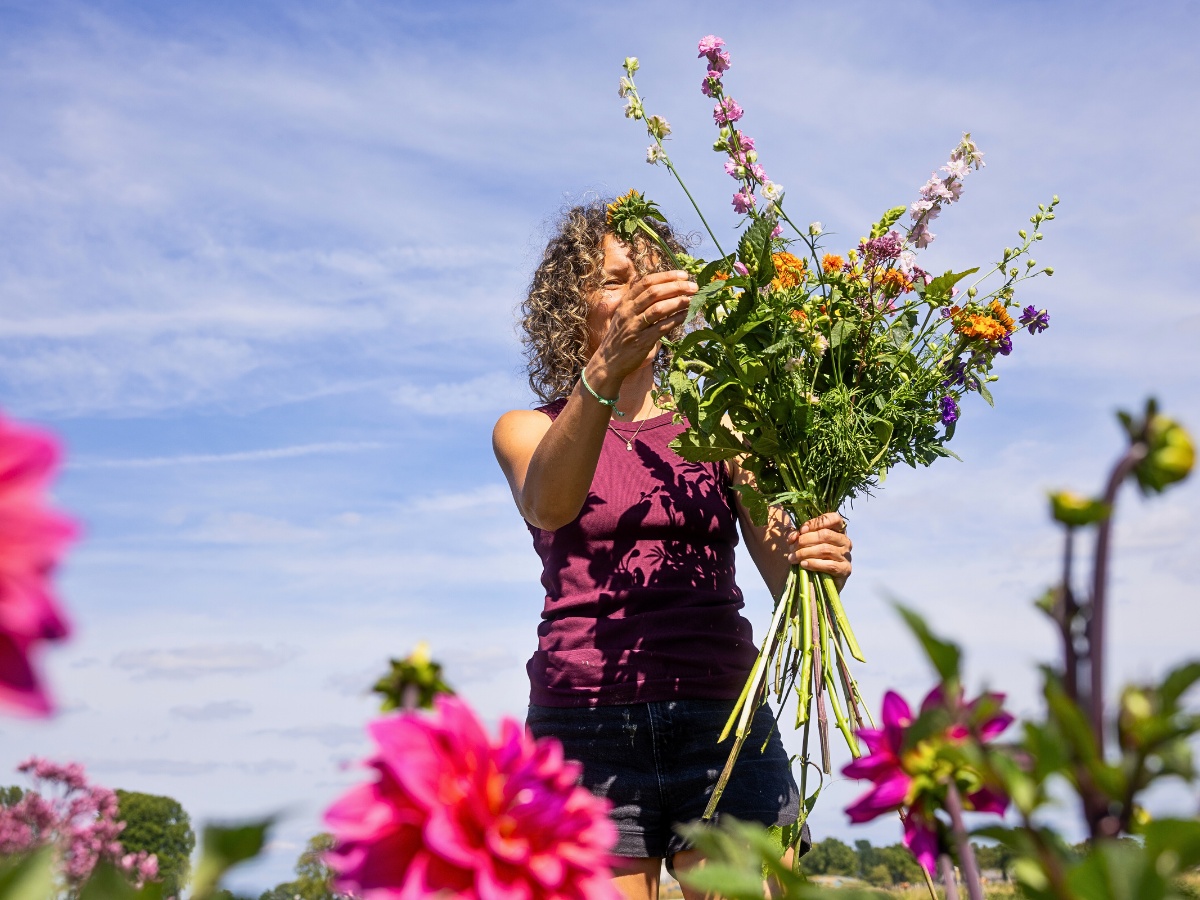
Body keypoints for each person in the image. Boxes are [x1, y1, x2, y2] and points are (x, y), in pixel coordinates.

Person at [492, 200, 853, 900]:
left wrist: (819, 558)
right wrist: (606, 369)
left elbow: (785, 575)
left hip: (720, 716)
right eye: (617, 278)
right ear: (575, 304)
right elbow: (550, 505)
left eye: (654, 276)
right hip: (582, 723)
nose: (642, 294)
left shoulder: (722, 422)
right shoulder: (526, 429)